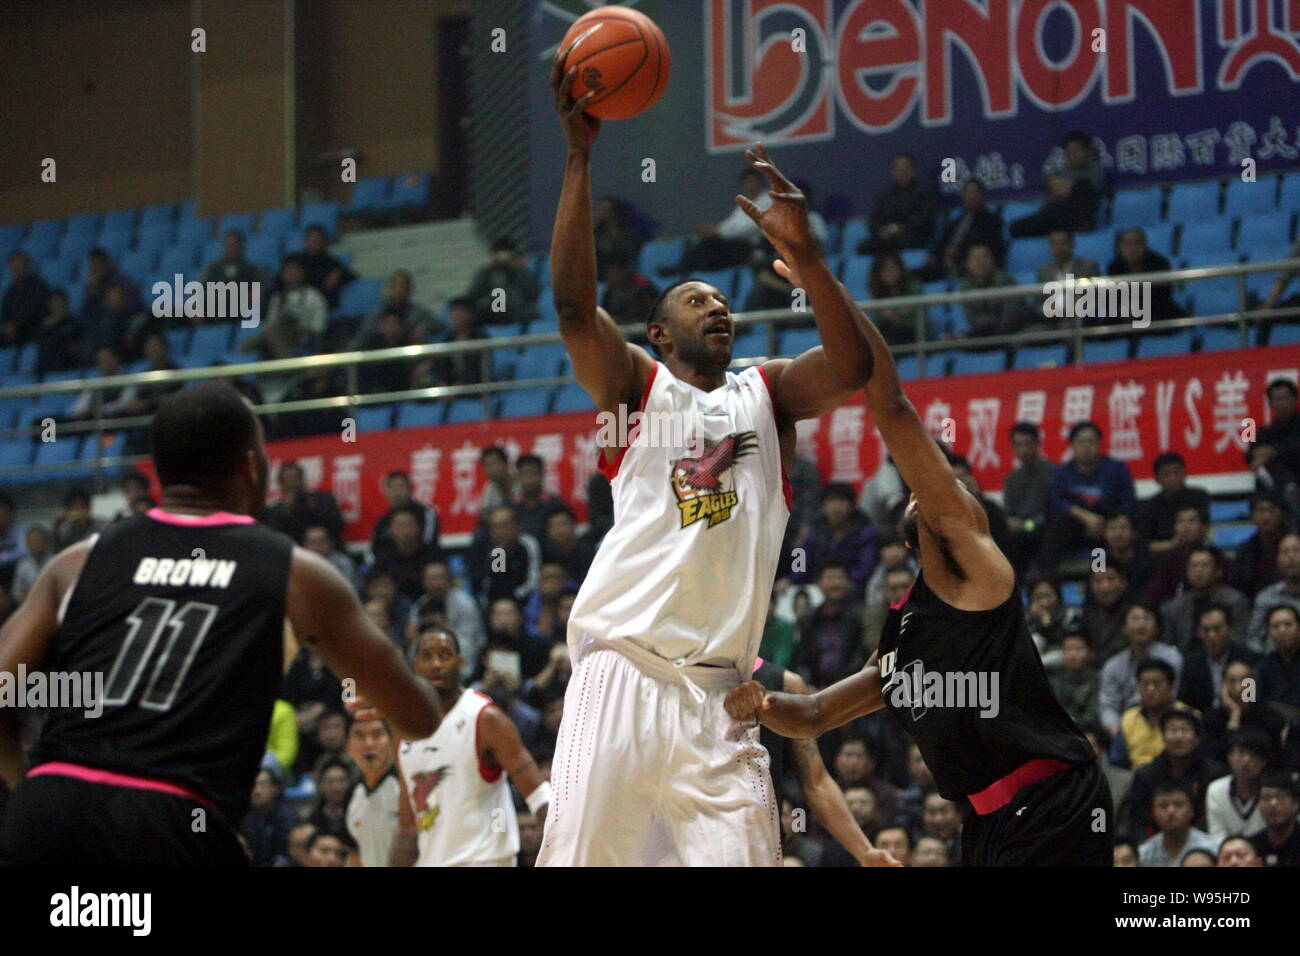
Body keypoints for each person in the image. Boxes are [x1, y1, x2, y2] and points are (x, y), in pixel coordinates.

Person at [537, 59, 877, 868]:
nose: (716, 305)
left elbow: (855, 368)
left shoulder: (768, 393)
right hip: (625, 668)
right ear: (657, 333)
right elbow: (573, 308)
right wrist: (581, 157)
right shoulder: (635, 388)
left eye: (721, 300)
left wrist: (810, 257)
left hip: (725, 699)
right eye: (694, 300)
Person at [724, 231, 1110, 866]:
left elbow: (892, 405)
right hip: (986, 822)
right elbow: (816, 713)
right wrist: (760, 705)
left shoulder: (979, 577)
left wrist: (823, 279)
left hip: (1054, 800)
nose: (943, 487)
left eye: (952, 488)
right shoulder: (904, 638)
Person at [0, 383, 438, 865]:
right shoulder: (297, 573)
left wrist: (32, 787)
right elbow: (418, 716)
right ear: (252, 466)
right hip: (172, 820)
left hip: (47, 812)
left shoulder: (78, 561)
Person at [388, 627, 549, 867]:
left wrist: (570, 848)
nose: (436, 664)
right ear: (415, 665)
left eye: (445, 655)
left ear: (460, 662)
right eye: (427, 656)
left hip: (485, 859)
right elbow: (408, 829)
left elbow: (538, 794)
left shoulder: (485, 717)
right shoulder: (404, 732)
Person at [752, 656, 899, 867]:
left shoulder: (783, 682)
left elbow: (816, 781)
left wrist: (865, 851)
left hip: (756, 844)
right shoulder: (687, 679)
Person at [1037, 421, 1137, 574]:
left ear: (1099, 443)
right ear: (1072, 445)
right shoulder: (1062, 472)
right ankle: (1047, 578)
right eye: (1081, 441)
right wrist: (1085, 516)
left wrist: (1104, 524)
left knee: (1107, 518)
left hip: (1105, 527)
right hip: (1074, 527)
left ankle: (1099, 577)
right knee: (1055, 526)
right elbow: (1056, 500)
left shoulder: (1116, 469)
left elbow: (1128, 502)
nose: (1086, 446)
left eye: (1091, 441)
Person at [1121, 710, 1225, 845]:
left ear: (1197, 738)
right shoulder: (1146, 775)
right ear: (1163, 737)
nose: (1178, 736)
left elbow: (1214, 820)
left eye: (1185, 730)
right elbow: (1138, 822)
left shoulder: (1213, 773)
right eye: (1173, 730)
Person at [1009, 131, 1105, 237]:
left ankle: (1079, 232)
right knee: (1016, 227)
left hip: (1076, 218)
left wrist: (1069, 187)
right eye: (1069, 150)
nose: (1073, 154)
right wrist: (1070, 187)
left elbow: (1083, 188)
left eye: (1077, 150)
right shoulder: (1060, 171)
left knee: (1083, 187)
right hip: (1052, 215)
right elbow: (1050, 182)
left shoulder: (1095, 171)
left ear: (1087, 152)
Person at [1160, 550, 1251, 654]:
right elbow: (1168, 645)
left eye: (1205, 565)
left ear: (1218, 571)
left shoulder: (1235, 601)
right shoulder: (1174, 606)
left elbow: (1239, 639)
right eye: (1194, 566)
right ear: (1187, 572)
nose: (1199, 571)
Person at [1176, 604, 1257, 713]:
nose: (1212, 635)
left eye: (1217, 629)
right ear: (1199, 632)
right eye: (1206, 630)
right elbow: (1186, 702)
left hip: (1242, 718)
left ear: (1229, 628)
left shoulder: (1247, 659)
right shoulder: (1191, 662)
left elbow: (1251, 699)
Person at [920, 178, 1004, 282]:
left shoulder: (991, 220)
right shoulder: (955, 222)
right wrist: (933, 254)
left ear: (982, 195)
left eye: (974, 192)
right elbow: (942, 242)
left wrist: (958, 250)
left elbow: (986, 244)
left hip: (969, 262)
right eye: (967, 192)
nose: (970, 196)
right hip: (945, 263)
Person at [343, 716, 400, 867]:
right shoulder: (351, 795)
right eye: (359, 736)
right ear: (348, 746)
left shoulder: (408, 787)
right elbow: (355, 856)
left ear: (392, 742)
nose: (369, 743)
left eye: (377, 735)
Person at [861, 152, 938, 254]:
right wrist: (881, 230)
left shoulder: (925, 192)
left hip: (913, 236)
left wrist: (901, 227)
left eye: (906, 167)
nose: (902, 172)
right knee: (863, 247)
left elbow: (925, 217)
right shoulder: (886, 195)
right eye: (898, 168)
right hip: (888, 237)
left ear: (914, 170)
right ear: (893, 172)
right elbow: (874, 220)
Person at [1002, 422, 1052, 575]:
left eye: (1028, 444)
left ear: (1038, 445)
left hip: (1043, 530)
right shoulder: (1011, 480)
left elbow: (1052, 513)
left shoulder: (1052, 473)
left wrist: (1027, 525)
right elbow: (1009, 513)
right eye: (1018, 445)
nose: (1023, 449)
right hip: (1019, 532)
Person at [1205, 730, 1272, 843]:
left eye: (1253, 755)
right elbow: (1217, 836)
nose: (1246, 761)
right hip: (1228, 855)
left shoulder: (1272, 792)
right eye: (1240, 753)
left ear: (1263, 761)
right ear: (1229, 757)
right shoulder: (1216, 789)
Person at [1136, 453, 1210, 555]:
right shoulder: (1149, 507)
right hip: (1163, 557)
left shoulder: (1199, 497)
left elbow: (1205, 528)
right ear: (1157, 479)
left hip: (1197, 551)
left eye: (1176, 472)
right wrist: (1173, 544)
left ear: (1184, 473)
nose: (1173, 478)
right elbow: (1144, 544)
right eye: (1166, 474)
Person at [1107, 228, 1185, 322]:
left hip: (1155, 310)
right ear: (1120, 247)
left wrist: (1140, 307)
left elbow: (1164, 295)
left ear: (1145, 245)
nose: (1133, 248)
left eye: (1137, 243)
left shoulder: (1160, 263)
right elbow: (1112, 297)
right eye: (1127, 244)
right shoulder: (1114, 267)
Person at [1137, 781, 1218, 867]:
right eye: (1163, 806)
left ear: (1191, 811)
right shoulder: (1144, 854)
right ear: (1153, 813)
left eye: (1178, 805)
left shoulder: (1211, 849)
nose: (1171, 811)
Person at [264, 460, 345, 546]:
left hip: (327, 551)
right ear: (281, 484)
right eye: (288, 480)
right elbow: (273, 538)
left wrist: (315, 508)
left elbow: (338, 526)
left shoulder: (324, 500)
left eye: (296, 479)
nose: (293, 484)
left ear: (302, 479)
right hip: (295, 554)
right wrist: (285, 512)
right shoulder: (275, 511)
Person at [464, 237, 540, 326]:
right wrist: (489, 272)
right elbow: (474, 294)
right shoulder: (486, 272)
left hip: (517, 310)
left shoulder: (521, 271)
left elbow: (532, 293)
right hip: (491, 311)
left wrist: (517, 269)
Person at [1247, 533, 1300, 653]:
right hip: (1274, 666)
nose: (1291, 556)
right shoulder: (1265, 597)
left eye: (1296, 550)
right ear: (1278, 559)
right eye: (1285, 552)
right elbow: (1254, 638)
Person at [1228, 491, 1286, 599]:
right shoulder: (1245, 550)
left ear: (1281, 514)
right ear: (1252, 516)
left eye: (1272, 510)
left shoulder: (1292, 547)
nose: (1267, 516)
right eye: (1261, 511)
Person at [296, 224, 356, 308]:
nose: (313, 241)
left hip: (322, 304)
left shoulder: (331, 261)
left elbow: (351, 276)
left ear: (324, 241)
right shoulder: (296, 261)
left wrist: (337, 276)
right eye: (309, 238)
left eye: (316, 238)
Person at [1249, 772, 1300, 867]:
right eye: (1266, 797)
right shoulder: (1252, 846)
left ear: (1296, 803)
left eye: (1281, 796)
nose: (1273, 803)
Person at [1257, 604, 1300, 706]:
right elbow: (1248, 699)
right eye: (1275, 626)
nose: (1282, 630)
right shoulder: (1263, 666)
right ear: (1269, 632)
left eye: (1288, 624)